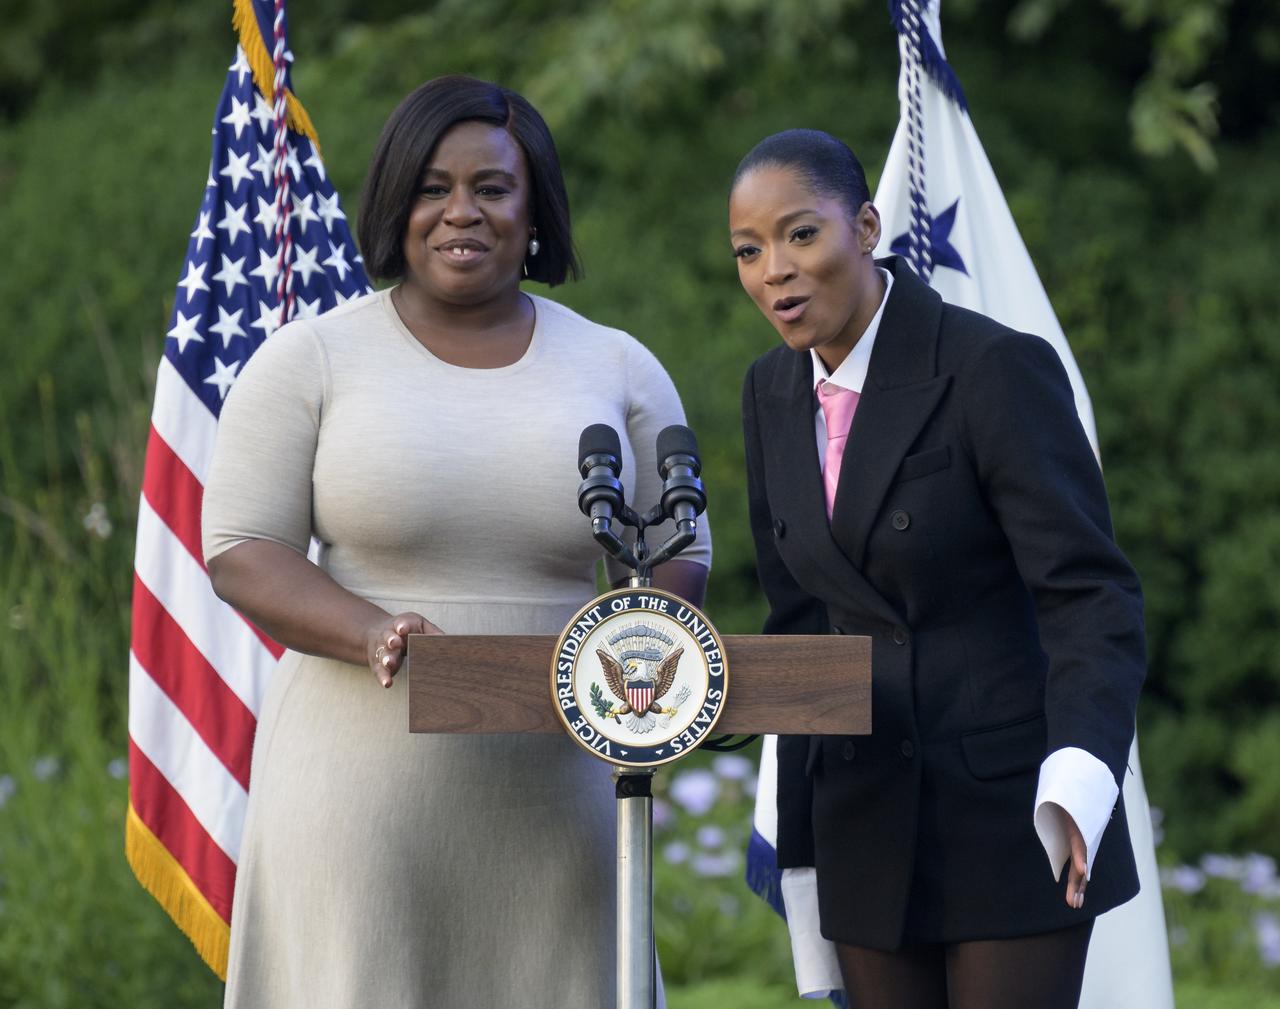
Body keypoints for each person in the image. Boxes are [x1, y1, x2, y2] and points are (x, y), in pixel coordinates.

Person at [201, 75, 709, 1008]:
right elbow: (241, 546)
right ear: (397, 202)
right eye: (433, 187)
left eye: (492, 187)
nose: (460, 212)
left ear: (536, 208)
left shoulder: (617, 363)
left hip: (560, 785)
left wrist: (645, 649)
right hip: (361, 785)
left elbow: (683, 548)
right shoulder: (310, 357)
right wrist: (370, 630)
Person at [731, 129, 1145, 1009]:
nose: (776, 269)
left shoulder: (993, 367)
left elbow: (1088, 596)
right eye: (749, 249)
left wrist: (1079, 773)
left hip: (1012, 811)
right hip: (864, 818)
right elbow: (799, 620)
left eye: (802, 234)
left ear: (867, 225)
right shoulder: (767, 393)